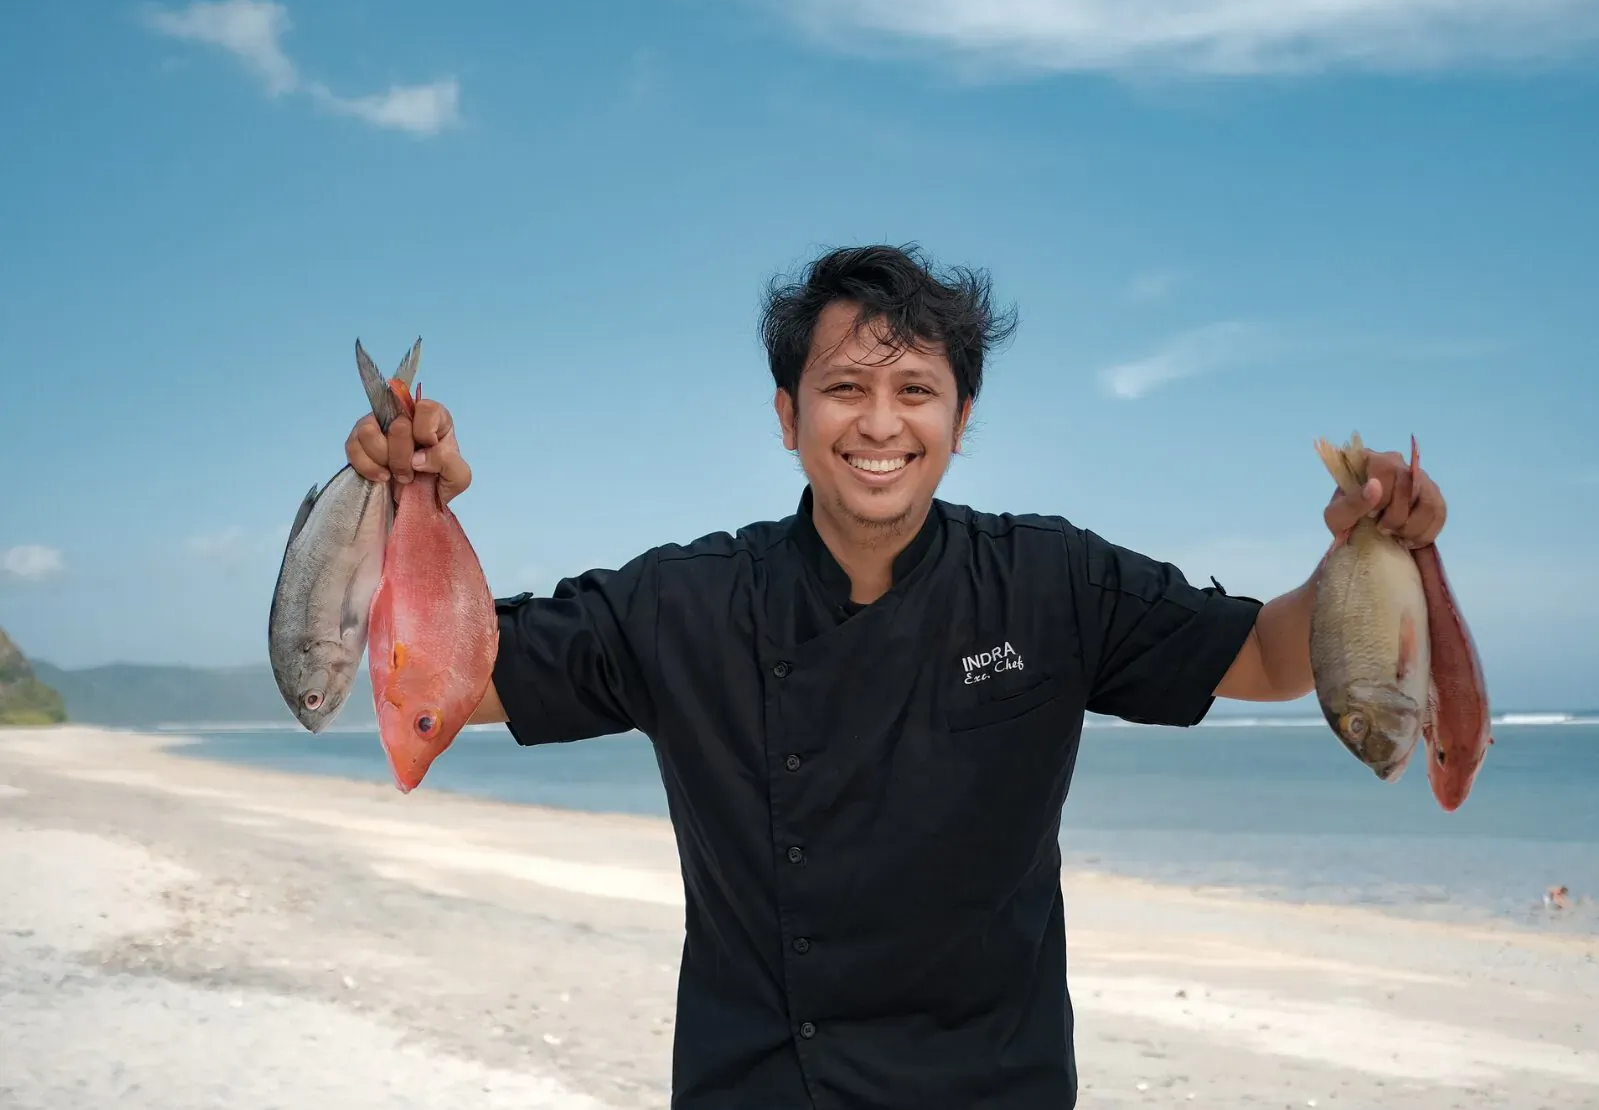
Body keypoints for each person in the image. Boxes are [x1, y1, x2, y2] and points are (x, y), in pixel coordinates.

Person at [344, 244, 1448, 1110]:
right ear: (788, 418)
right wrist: (408, 506)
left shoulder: (1051, 581)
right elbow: (449, 682)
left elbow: (1263, 653)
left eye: (916, 389)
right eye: (843, 388)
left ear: (961, 421)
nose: (880, 422)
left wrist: (1372, 548)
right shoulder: (681, 603)